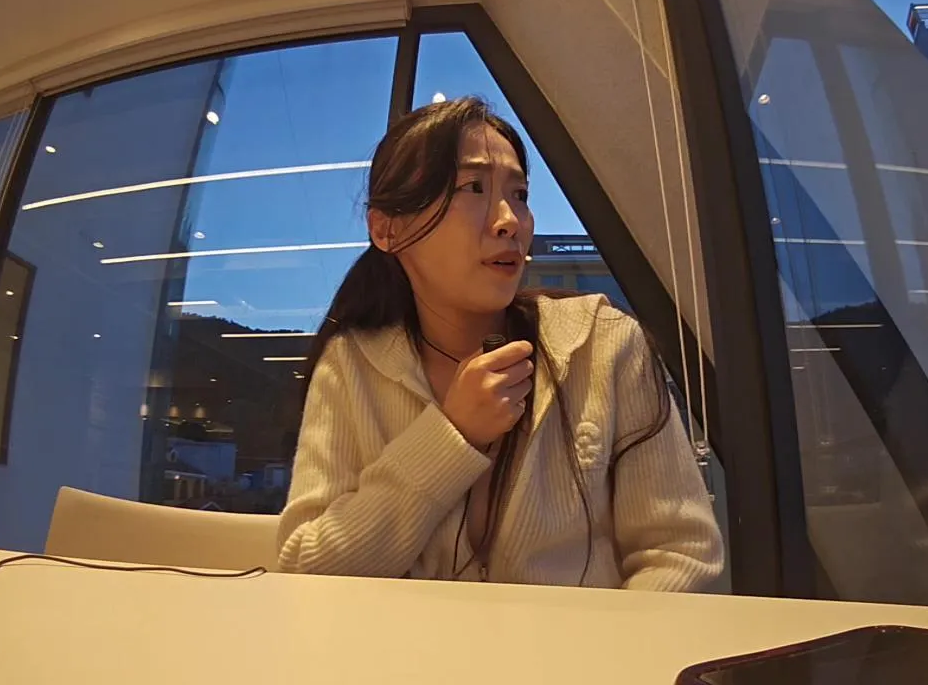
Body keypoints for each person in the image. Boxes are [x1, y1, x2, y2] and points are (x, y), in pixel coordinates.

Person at [276, 97, 723, 591]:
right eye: (473, 187)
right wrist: (453, 435)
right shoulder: (352, 364)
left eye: (520, 193)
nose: (511, 220)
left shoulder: (604, 344)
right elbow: (306, 569)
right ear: (387, 229)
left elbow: (680, 554)